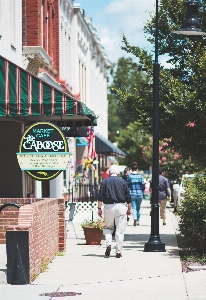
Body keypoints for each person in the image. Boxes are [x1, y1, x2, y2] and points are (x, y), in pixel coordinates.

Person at [98, 164, 131, 258]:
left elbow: (100, 196)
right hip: (120, 206)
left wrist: (99, 208)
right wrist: (129, 209)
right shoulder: (123, 182)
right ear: (118, 173)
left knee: (108, 227)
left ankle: (108, 244)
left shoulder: (104, 182)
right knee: (120, 230)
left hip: (108, 207)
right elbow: (128, 197)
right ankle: (118, 251)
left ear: (109, 173)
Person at [126, 162, 145, 226]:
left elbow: (127, 185)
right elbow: (143, 186)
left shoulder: (129, 176)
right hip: (139, 194)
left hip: (132, 194)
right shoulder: (140, 176)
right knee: (138, 208)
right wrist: (142, 191)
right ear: (137, 169)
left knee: (133, 207)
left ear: (131, 169)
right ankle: (138, 221)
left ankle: (134, 218)